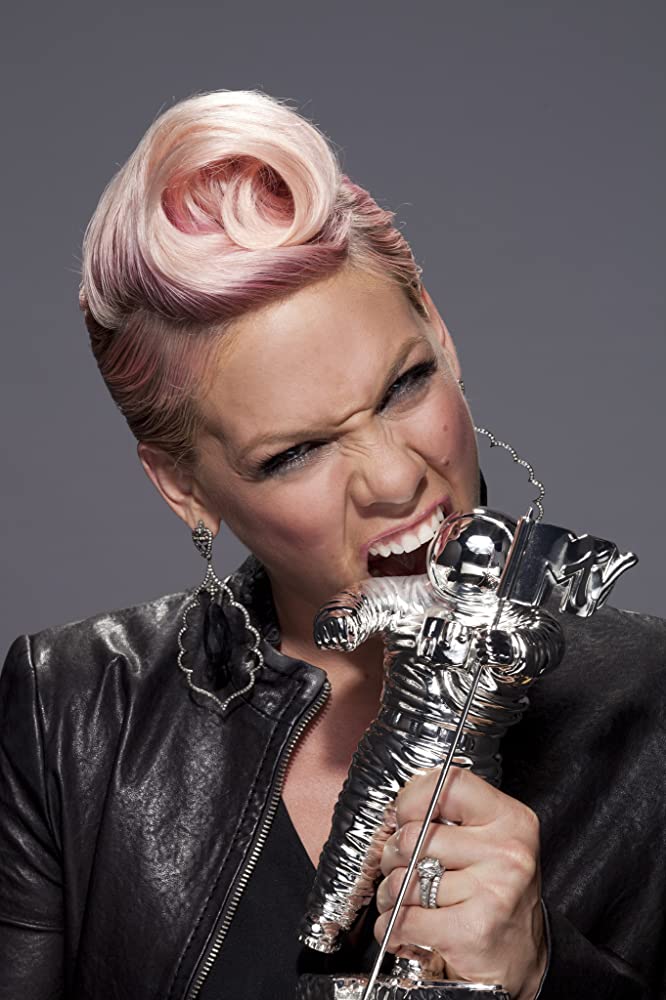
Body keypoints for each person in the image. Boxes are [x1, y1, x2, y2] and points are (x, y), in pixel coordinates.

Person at [0, 88, 663, 1000]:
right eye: (296, 453)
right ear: (182, 485)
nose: (393, 479)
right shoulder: (72, 718)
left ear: (438, 330)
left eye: (404, 385)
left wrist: (549, 975)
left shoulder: (652, 711)